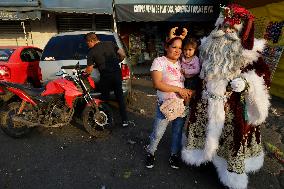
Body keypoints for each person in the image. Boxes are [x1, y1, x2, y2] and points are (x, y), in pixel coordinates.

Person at [181, 4, 271, 189]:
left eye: (231, 28)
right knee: (204, 134)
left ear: (239, 32)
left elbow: (264, 75)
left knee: (229, 140)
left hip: (232, 108)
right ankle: (205, 159)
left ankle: (229, 173)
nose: (226, 31)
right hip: (205, 104)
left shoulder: (250, 53)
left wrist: (247, 83)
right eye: (223, 27)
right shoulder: (207, 47)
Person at [145, 27, 193, 169]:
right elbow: (157, 84)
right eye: (174, 47)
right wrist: (179, 89)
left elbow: (192, 53)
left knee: (177, 132)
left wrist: (181, 39)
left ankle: (174, 155)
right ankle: (151, 152)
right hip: (165, 105)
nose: (178, 50)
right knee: (158, 133)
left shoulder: (182, 62)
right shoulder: (159, 61)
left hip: (181, 105)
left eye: (180, 48)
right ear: (166, 47)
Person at [85, 32, 132, 127]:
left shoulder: (91, 52)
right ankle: (125, 121)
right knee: (120, 97)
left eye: (87, 43)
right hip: (116, 75)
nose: (87, 45)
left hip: (106, 77)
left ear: (91, 41)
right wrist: (117, 61)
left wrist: (84, 74)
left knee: (104, 99)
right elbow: (122, 54)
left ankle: (105, 120)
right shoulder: (110, 43)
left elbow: (89, 70)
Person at [180, 38, 200, 104]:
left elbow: (197, 70)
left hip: (192, 79)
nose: (187, 52)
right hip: (184, 79)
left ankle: (188, 106)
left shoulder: (195, 59)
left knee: (190, 93)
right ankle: (185, 104)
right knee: (183, 93)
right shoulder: (182, 57)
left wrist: (186, 71)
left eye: (190, 50)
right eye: (185, 49)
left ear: (195, 50)